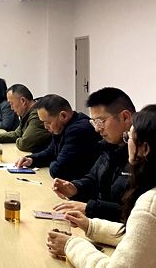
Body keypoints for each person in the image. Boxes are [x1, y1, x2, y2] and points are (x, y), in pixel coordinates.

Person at [46, 104, 156, 267]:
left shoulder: (150, 204)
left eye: (129, 138)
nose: (97, 129)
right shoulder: (106, 148)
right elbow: (141, 235)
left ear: (145, 148)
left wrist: (71, 245)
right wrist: (91, 226)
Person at [52, 87, 135, 221]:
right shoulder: (107, 146)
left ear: (125, 117)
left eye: (101, 121)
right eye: (94, 122)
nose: (97, 128)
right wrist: (74, 188)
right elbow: (93, 178)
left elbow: (136, 212)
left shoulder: (141, 155)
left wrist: (90, 208)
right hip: (99, 223)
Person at [15, 94, 101, 180]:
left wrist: (53, 162)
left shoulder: (77, 131)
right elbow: (50, 152)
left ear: (63, 116)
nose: (45, 127)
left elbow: (59, 171)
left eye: (48, 122)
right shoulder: (62, 127)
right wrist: (31, 160)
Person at [0, 84, 51, 152]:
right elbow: (17, 133)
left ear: (23, 101)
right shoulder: (26, 112)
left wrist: (20, 138)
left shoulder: (38, 115)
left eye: (11, 103)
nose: (11, 108)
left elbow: (24, 144)